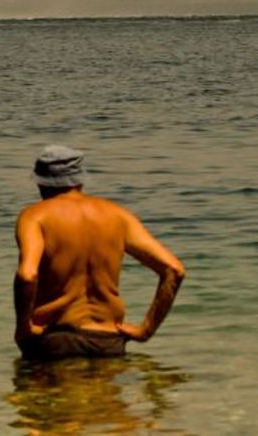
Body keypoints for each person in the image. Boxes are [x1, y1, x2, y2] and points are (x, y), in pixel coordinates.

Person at [14, 145, 186, 360]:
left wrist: (23, 328)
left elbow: (27, 275)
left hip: (56, 339)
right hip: (109, 341)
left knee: (43, 395)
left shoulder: (34, 216)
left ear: (40, 181)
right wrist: (146, 330)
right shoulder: (118, 215)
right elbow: (174, 269)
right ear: (80, 180)